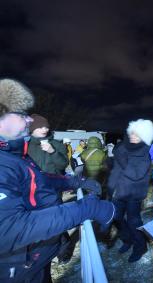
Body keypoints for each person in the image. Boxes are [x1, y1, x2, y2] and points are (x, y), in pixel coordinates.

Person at [0, 78, 115, 282]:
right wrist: (85, 209)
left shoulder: (13, 154)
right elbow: (7, 228)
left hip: (31, 259)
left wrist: (75, 182)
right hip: (14, 268)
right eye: (22, 115)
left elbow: (38, 178)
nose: (29, 120)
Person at [107, 119, 153, 262]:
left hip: (134, 192)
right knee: (116, 218)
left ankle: (140, 247)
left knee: (133, 221)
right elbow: (115, 164)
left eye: (137, 134)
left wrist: (120, 158)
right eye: (132, 133)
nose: (133, 136)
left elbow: (136, 174)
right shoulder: (123, 147)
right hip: (119, 190)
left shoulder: (146, 151)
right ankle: (127, 240)